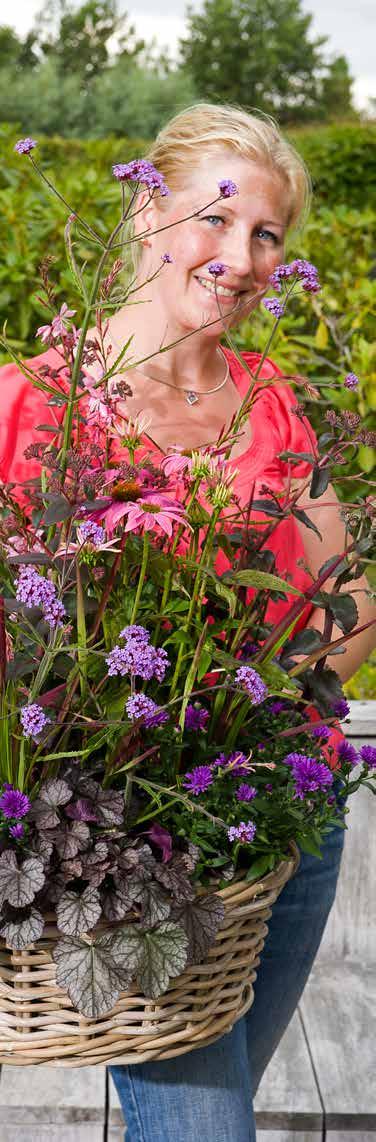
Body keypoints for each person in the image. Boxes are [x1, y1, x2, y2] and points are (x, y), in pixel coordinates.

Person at [1, 103, 374, 1141]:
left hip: (288, 819)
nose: (240, 257)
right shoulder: (41, 404)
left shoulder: (272, 401)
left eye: (266, 236)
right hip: (131, 850)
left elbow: (345, 603)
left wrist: (242, 712)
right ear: (144, 210)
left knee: (217, 1112)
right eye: (216, 217)